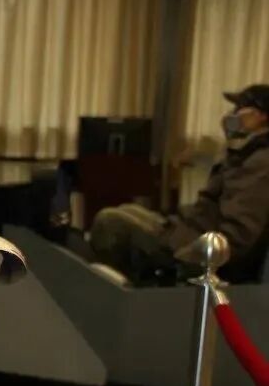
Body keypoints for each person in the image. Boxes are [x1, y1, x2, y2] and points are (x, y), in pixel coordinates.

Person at [88, 85, 269, 284]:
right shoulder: (245, 152)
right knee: (127, 210)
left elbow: (238, 235)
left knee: (109, 222)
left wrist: (186, 257)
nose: (232, 115)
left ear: (261, 116)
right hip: (190, 232)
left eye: (239, 108)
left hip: (196, 249)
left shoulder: (260, 162)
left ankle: (128, 294)